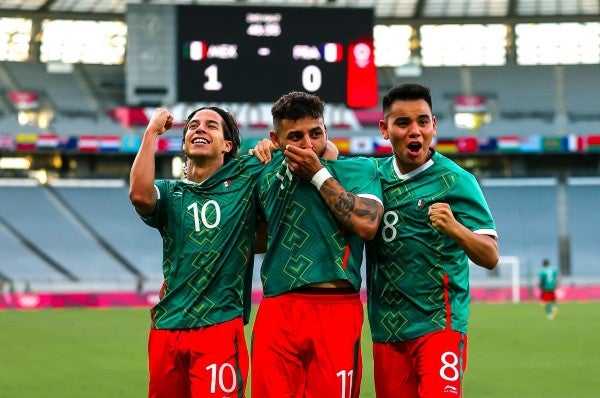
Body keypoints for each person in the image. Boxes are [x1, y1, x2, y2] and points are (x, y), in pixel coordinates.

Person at [365, 83, 499, 398]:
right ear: (385, 129)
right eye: (403, 123)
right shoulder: (371, 177)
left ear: (434, 126)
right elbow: (325, 161)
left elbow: (491, 255)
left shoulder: (457, 181)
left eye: (422, 122)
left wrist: (455, 229)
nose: (415, 131)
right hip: (387, 330)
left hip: (439, 325)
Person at [251, 91, 384, 398]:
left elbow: (367, 225)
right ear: (275, 138)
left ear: (327, 131)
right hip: (278, 309)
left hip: (336, 309)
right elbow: (250, 239)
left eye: (316, 133)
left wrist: (319, 174)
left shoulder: (359, 170)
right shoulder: (264, 174)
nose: (308, 145)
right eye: (295, 137)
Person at [129, 106, 265, 398]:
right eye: (192, 125)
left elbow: (303, 147)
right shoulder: (170, 192)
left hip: (218, 325)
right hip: (167, 327)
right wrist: (151, 131)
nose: (199, 129)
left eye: (211, 125)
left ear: (228, 145)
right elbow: (139, 194)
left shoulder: (243, 182)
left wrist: (268, 146)